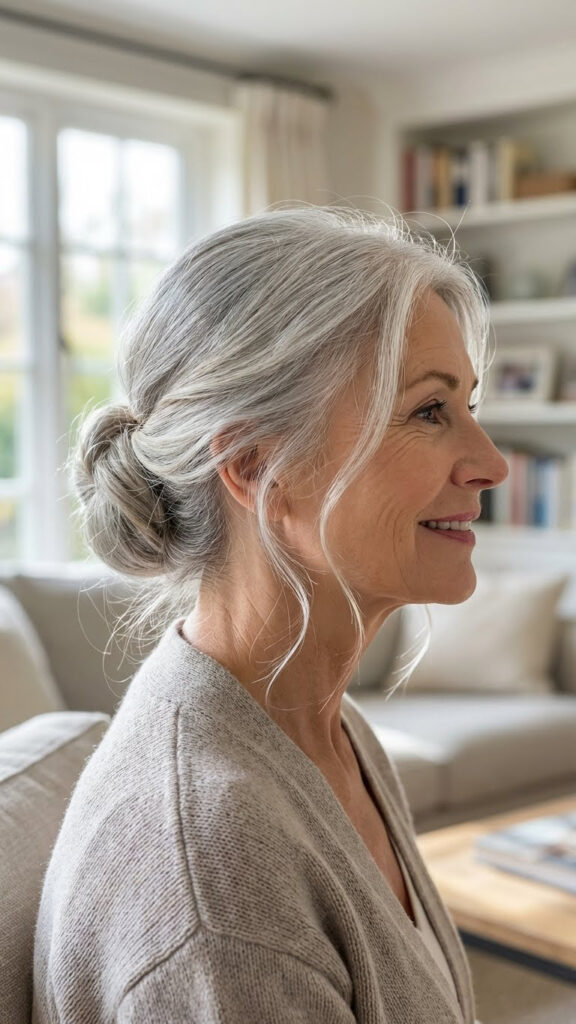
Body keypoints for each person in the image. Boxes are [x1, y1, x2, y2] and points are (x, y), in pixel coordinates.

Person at [32, 205, 507, 1023]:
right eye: (431, 411)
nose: (492, 463)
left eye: (468, 404)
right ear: (256, 466)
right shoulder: (216, 883)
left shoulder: (328, 728)